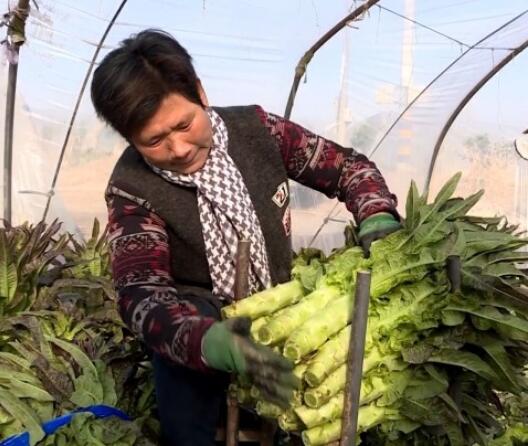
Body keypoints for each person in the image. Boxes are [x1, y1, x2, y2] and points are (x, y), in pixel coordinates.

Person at [91, 29, 401, 446]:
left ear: (200, 92)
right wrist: (208, 341)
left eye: (184, 124)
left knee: (310, 414)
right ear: (130, 139)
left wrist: (376, 212)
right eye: (155, 141)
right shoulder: (132, 188)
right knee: (189, 424)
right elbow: (141, 295)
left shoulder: (258, 131)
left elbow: (347, 168)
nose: (179, 148)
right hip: (198, 336)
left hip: (282, 311)